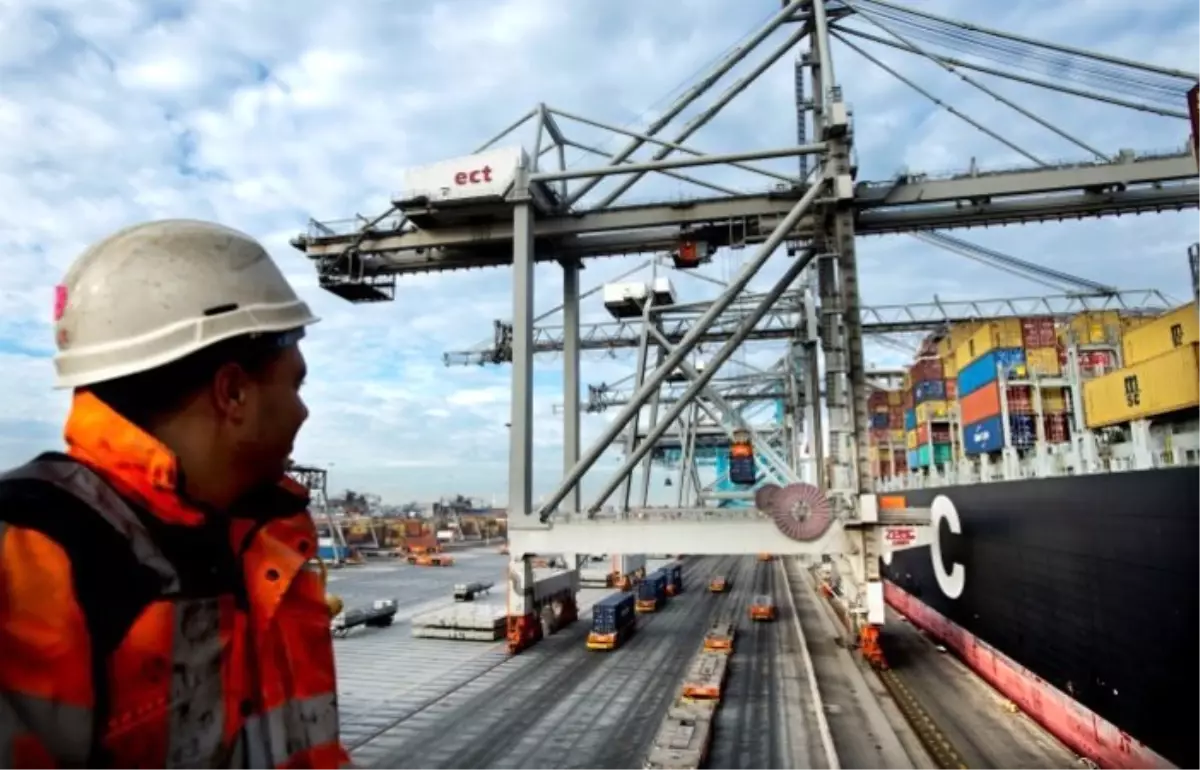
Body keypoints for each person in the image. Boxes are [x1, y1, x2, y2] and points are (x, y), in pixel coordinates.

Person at [0, 220, 351, 768]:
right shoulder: (27, 560)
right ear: (233, 392)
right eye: (296, 384)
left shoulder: (265, 543)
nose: (303, 412)